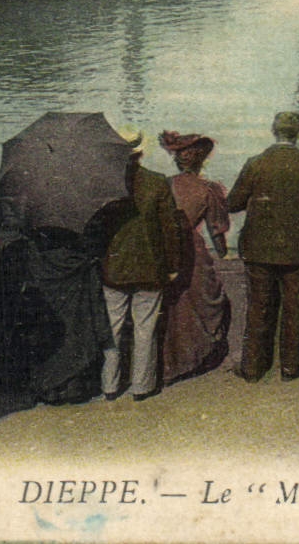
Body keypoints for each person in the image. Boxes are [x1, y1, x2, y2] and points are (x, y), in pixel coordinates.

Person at [228, 111, 299, 381]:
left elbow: (233, 203)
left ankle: (253, 368)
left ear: (273, 130)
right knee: (295, 308)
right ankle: (291, 367)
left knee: (258, 307)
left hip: (259, 249)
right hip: (298, 248)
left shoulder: (256, 163)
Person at [98, 130, 186, 402]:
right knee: (145, 329)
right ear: (140, 153)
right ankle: (142, 386)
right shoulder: (157, 182)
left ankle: (109, 385)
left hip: (113, 270)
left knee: (112, 328)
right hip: (150, 268)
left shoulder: (103, 184)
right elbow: (170, 229)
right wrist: (173, 265)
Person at [158, 131, 232, 383]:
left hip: (166, 250)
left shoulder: (165, 184)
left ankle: (168, 365)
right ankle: (193, 360)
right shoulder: (209, 189)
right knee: (197, 303)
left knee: (171, 309)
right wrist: (223, 253)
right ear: (201, 160)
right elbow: (217, 232)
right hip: (193, 251)